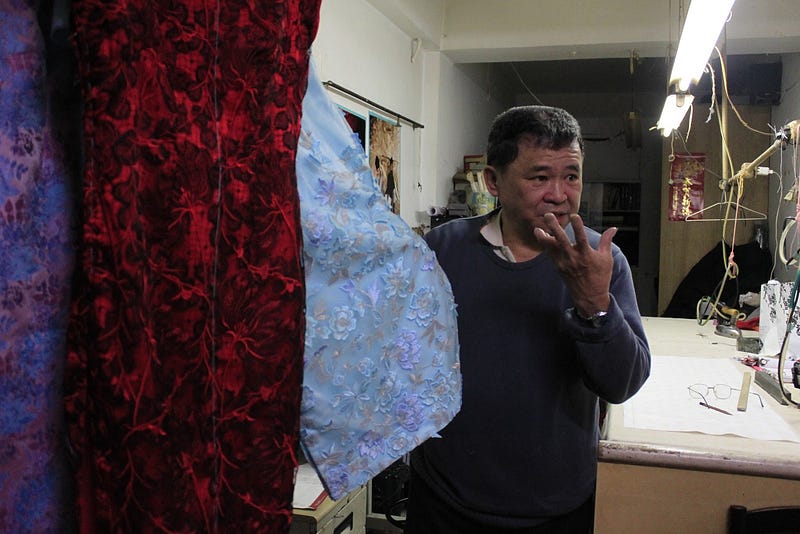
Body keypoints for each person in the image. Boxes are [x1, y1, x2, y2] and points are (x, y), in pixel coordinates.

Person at [405, 105, 651, 533]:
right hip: (445, 498)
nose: (559, 193)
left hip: (556, 506)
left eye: (571, 176)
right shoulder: (442, 250)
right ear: (493, 181)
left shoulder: (602, 261)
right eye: (540, 178)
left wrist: (595, 304)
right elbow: (403, 359)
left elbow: (622, 384)